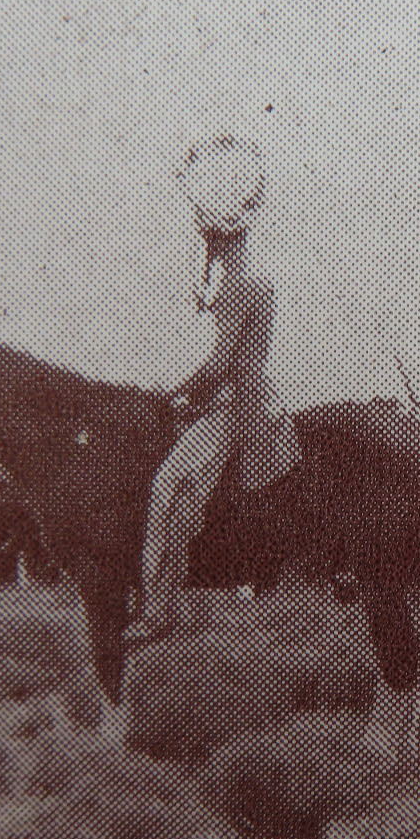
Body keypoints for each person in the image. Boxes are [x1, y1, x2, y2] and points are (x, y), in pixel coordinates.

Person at [129, 136, 301, 642]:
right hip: (242, 397)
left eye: (213, 239)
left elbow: (220, 363)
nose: (209, 247)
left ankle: (159, 608)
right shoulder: (242, 284)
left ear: (228, 240)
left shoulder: (240, 287)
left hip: (235, 405)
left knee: (169, 485)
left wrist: (174, 392)